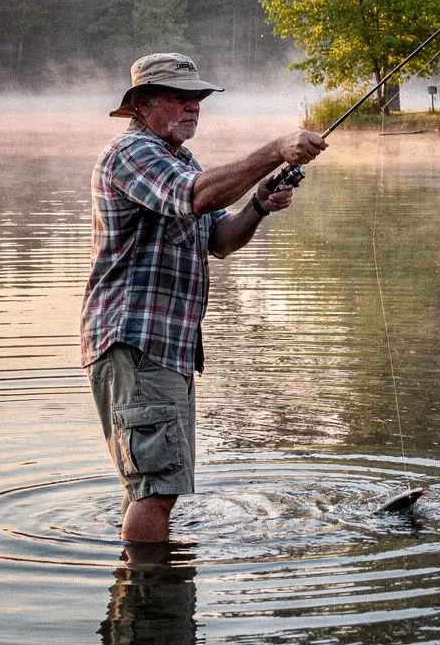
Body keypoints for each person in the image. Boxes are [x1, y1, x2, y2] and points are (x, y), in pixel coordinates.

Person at [81, 52, 326, 543]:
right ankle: (151, 600)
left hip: (167, 349)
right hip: (136, 343)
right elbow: (194, 197)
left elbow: (220, 239)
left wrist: (257, 204)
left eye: (198, 98)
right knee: (156, 489)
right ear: (144, 105)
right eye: (180, 97)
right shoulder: (131, 153)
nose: (193, 106)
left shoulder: (181, 159)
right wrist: (278, 148)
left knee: (154, 484)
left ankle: (145, 598)